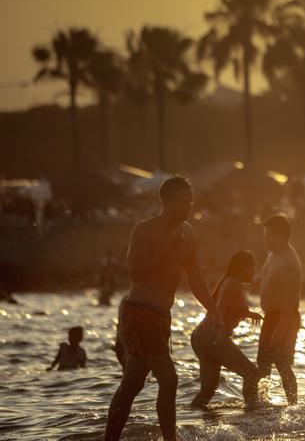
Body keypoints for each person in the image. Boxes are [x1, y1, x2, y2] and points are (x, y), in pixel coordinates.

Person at [104, 176, 222, 441]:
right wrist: (167, 249)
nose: (188, 207)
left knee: (132, 384)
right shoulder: (144, 230)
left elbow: (195, 277)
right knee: (169, 380)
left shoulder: (189, 233)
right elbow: (136, 273)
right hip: (139, 311)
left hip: (161, 316)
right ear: (165, 202)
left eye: (190, 202)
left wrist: (213, 310)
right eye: (182, 202)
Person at [190, 251, 263, 409]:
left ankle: (191, 416)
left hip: (200, 337)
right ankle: (253, 415)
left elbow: (230, 308)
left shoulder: (229, 282)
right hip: (213, 336)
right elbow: (220, 307)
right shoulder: (233, 283)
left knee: (208, 390)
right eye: (252, 268)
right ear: (243, 268)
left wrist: (249, 313)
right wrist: (219, 333)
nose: (254, 272)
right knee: (251, 373)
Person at [255, 214, 302, 405]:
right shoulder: (273, 254)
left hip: (285, 318)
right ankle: (261, 403)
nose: (266, 239)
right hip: (271, 317)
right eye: (265, 234)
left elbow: (291, 302)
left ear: (282, 236)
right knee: (263, 362)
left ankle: (293, 405)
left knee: (282, 364)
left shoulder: (289, 261)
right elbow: (266, 280)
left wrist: (280, 331)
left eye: (270, 235)